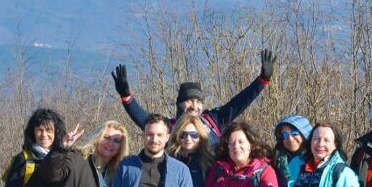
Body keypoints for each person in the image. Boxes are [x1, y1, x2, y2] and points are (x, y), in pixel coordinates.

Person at [110, 49, 276, 144]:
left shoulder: (213, 120)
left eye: (198, 102)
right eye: (189, 100)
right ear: (179, 103)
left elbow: (239, 102)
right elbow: (143, 118)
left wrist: (261, 81)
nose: (194, 105)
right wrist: (126, 96)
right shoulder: (168, 126)